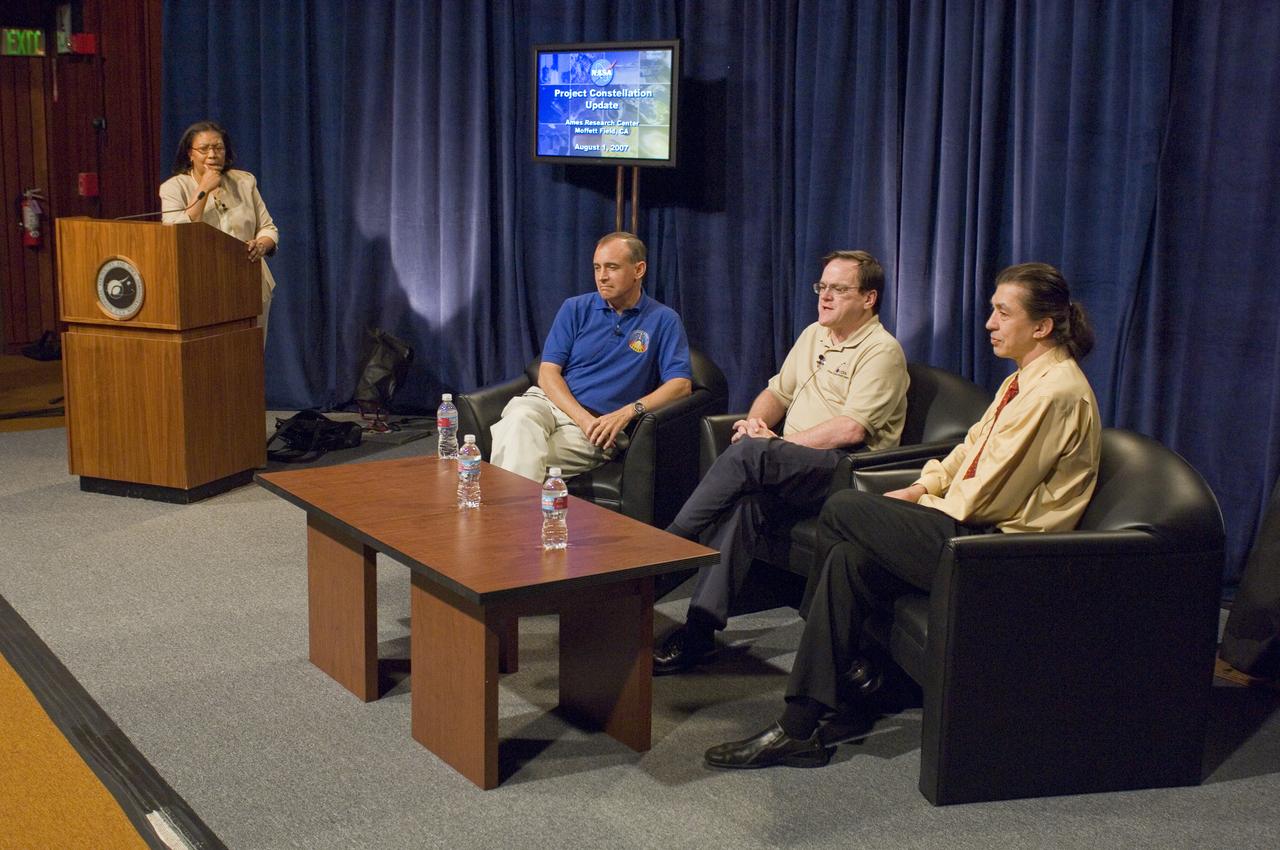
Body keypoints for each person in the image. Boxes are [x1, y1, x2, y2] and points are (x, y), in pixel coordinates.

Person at [704, 262, 1101, 769]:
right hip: (965, 526)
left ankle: (856, 665)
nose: (990, 324)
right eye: (992, 311)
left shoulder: (1057, 392)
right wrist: (917, 488)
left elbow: (988, 497)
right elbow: (966, 454)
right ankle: (800, 725)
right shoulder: (1023, 380)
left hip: (996, 552)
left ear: (1042, 326)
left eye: (1003, 313)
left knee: (846, 504)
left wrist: (919, 505)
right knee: (847, 557)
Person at [654, 250, 908, 675]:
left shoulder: (883, 352)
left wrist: (774, 444)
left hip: (846, 472)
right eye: (822, 287)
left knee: (752, 455)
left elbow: (851, 430)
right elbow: (778, 393)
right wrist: (755, 422)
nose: (825, 297)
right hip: (794, 463)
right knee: (743, 502)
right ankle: (699, 632)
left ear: (869, 299)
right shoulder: (815, 335)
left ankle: (662, 554)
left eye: (838, 289)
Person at [490, 232, 692, 482]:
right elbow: (547, 372)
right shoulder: (575, 308)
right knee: (519, 420)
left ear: (639, 270)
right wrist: (581, 417)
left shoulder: (664, 319)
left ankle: (496, 519)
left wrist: (629, 411)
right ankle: (514, 520)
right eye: (597, 267)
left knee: (516, 453)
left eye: (612, 267)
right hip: (550, 404)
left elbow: (680, 385)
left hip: (598, 428)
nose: (601, 276)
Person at [159, 120, 279, 343]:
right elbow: (176, 234)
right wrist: (203, 188)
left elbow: (268, 228)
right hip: (203, 286)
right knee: (215, 359)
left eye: (218, 148)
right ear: (190, 154)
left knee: (249, 357)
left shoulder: (245, 181)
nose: (212, 155)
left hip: (250, 282)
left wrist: (261, 244)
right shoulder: (174, 188)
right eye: (204, 149)